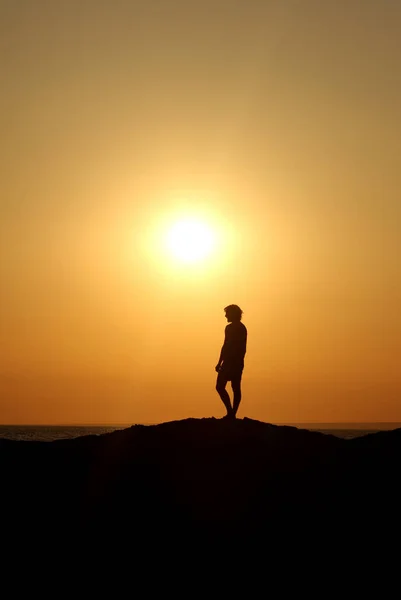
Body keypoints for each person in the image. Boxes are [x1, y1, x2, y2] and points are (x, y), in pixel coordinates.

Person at [215, 304, 247, 419]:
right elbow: (225, 345)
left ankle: (232, 413)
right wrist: (219, 362)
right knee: (220, 386)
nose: (225, 316)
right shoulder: (228, 328)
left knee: (235, 387)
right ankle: (230, 412)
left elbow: (241, 348)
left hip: (236, 362)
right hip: (227, 362)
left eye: (227, 313)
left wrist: (237, 361)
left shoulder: (241, 328)